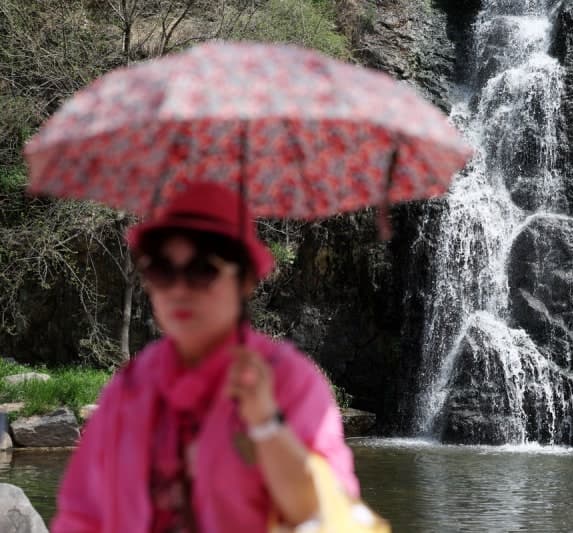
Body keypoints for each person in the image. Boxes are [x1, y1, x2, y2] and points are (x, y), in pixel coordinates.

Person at [52, 181, 359, 532]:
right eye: (162, 270)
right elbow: (81, 514)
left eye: (203, 270)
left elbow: (324, 516)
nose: (179, 289)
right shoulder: (131, 385)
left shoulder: (290, 381)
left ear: (245, 280)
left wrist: (266, 422)